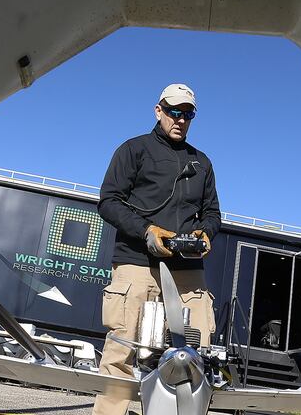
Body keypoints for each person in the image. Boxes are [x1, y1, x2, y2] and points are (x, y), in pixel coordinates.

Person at [92, 83, 221, 415]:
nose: (180, 119)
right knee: (122, 349)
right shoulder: (133, 150)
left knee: (195, 355)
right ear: (158, 110)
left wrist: (205, 233)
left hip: (187, 270)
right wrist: (146, 230)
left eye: (188, 114)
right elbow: (108, 202)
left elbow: (213, 213)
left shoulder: (202, 163)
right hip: (137, 261)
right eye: (174, 112)